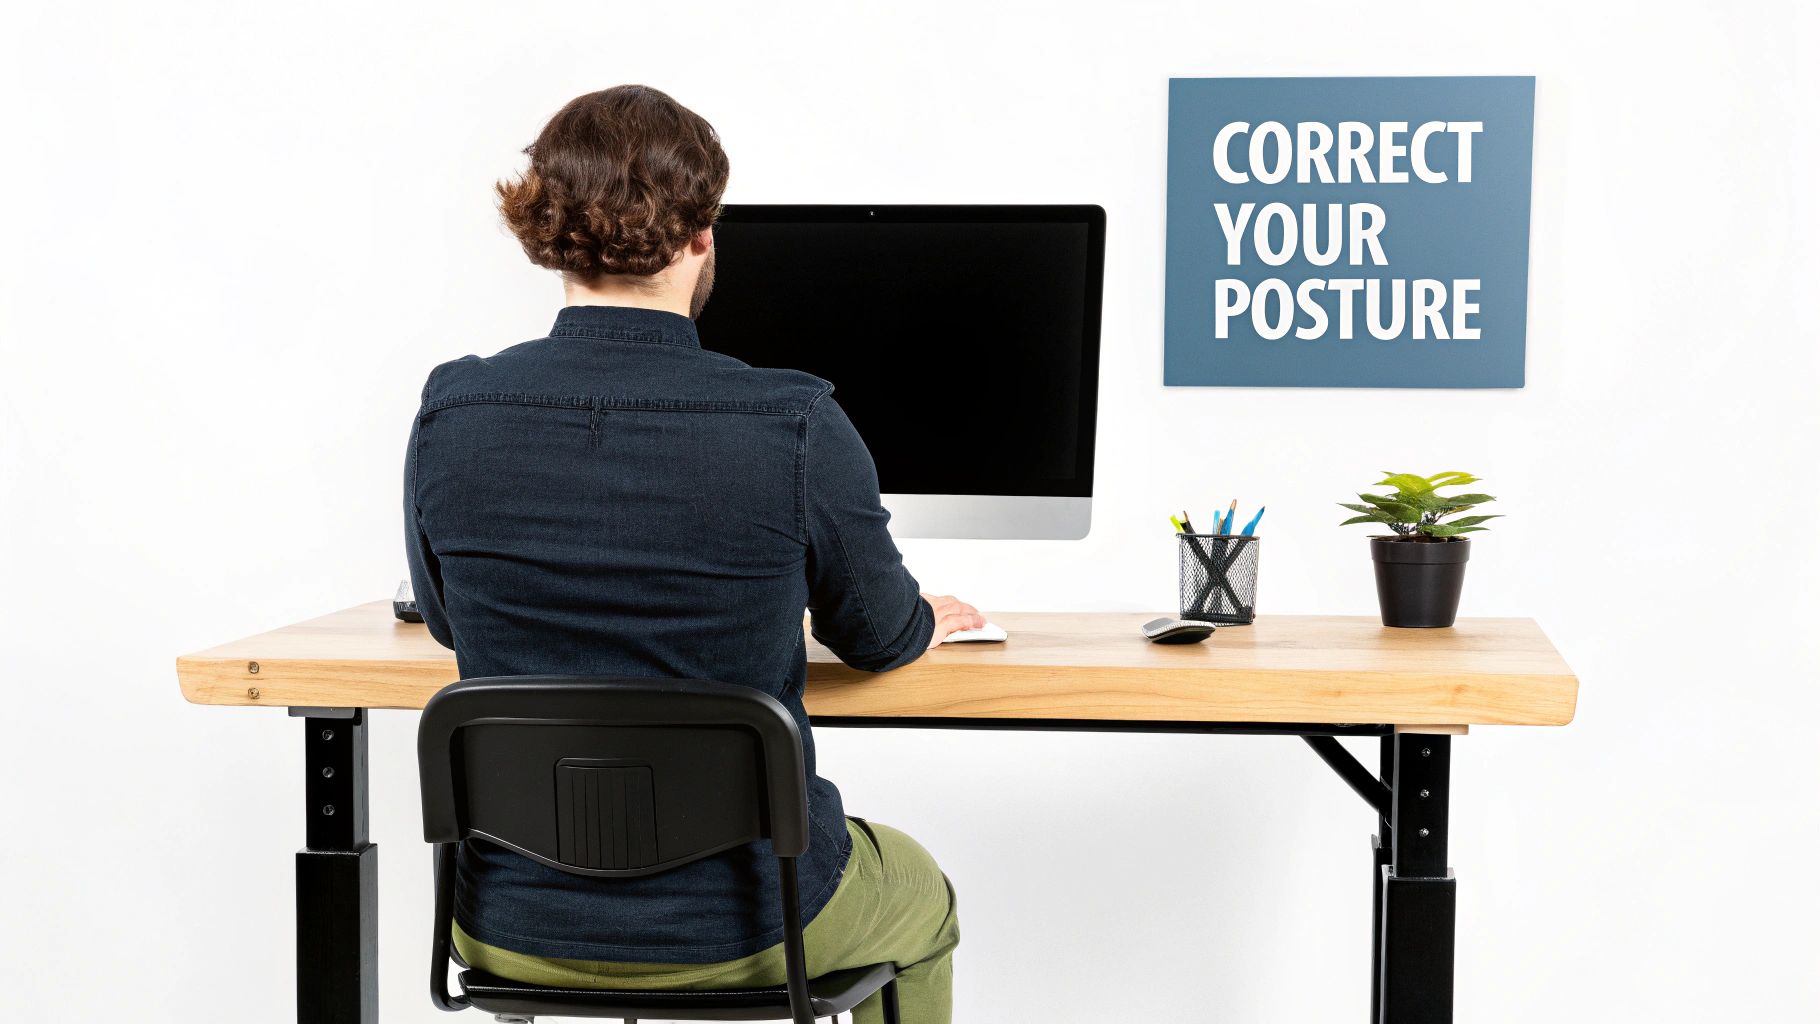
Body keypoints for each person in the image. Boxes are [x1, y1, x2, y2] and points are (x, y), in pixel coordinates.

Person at [403, 85, 976, 1024]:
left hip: (506, 924)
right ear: (704, 232)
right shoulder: (797, 422)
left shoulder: (451, 413)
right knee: (925, 898)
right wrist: (912, 620)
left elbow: (445, 617)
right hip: (750, 925)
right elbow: (876, 638)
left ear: (544, 234)